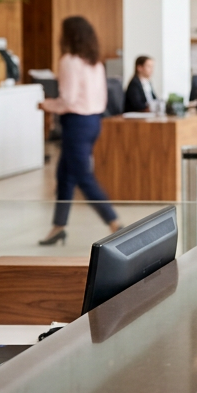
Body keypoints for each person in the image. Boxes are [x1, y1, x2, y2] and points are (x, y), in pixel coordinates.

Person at [39, 16, 121, 245]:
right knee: (64, 175)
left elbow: (68, 100)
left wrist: (45, 105)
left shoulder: (69, 61)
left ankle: (114, 222)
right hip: (93, 121)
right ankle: (58, 227)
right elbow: (101, 97)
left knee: (83, 176)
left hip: (76, 123)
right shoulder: (94, 62)